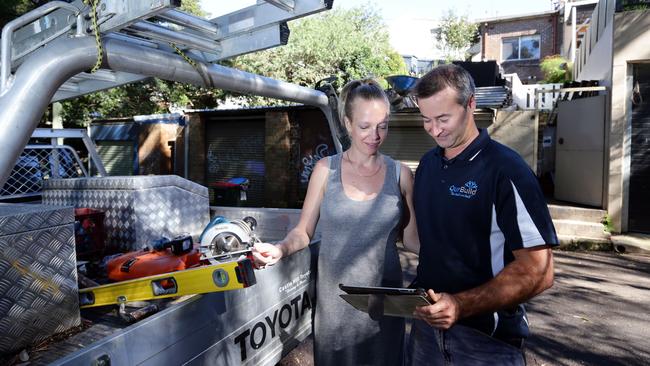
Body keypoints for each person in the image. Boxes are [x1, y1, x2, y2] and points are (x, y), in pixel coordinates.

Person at [253, 78, 419, 366]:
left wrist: (461, 263)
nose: (375, 135)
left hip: (385, 308)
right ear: (347, 123)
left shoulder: (401, 175)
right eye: (365, 126)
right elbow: (304, 232)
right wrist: (280, 249)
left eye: (383, 125)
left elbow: (414, 240)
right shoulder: (324, 170)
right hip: (335, 310)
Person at [407, 64, 558, 366]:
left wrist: (461, 304)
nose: (434, 130)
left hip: (486, 343)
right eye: (426, 120)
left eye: (443, 118)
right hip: (426, 335)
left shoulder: (506, 170)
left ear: (471, 104)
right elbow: (433, 246)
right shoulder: (427, 166)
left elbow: (539, 272)